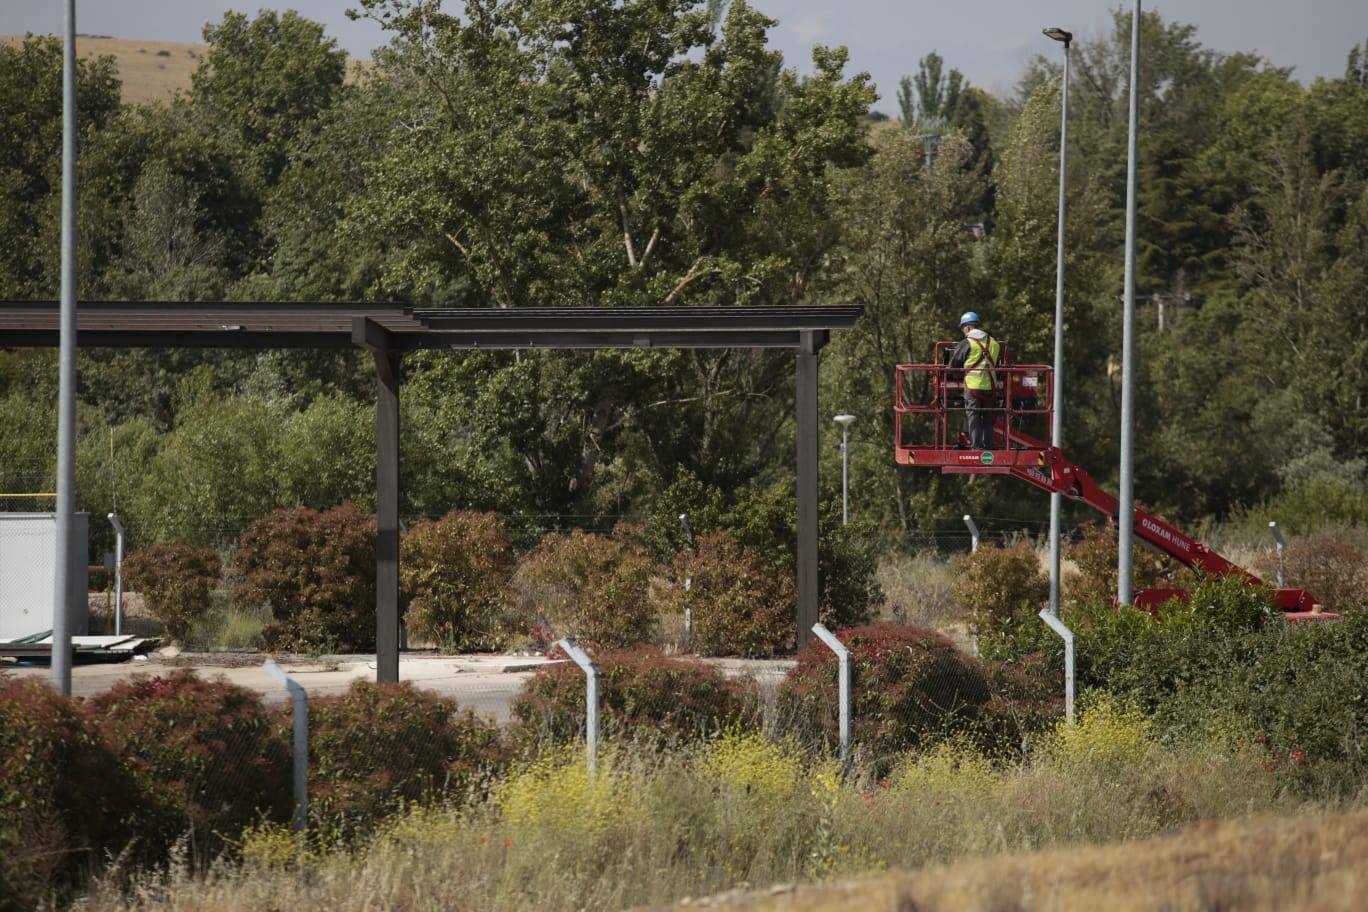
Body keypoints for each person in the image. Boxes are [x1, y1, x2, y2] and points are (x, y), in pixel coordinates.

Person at [947, 311, 1002, 449]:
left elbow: (953, 364)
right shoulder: (994, 343)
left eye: (963, 328)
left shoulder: (967, 342)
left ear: (967, 327)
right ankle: (988, 445)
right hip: (990, 387)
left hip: (973, 387)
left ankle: (976, 446)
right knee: (988, 417)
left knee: (973, 416)